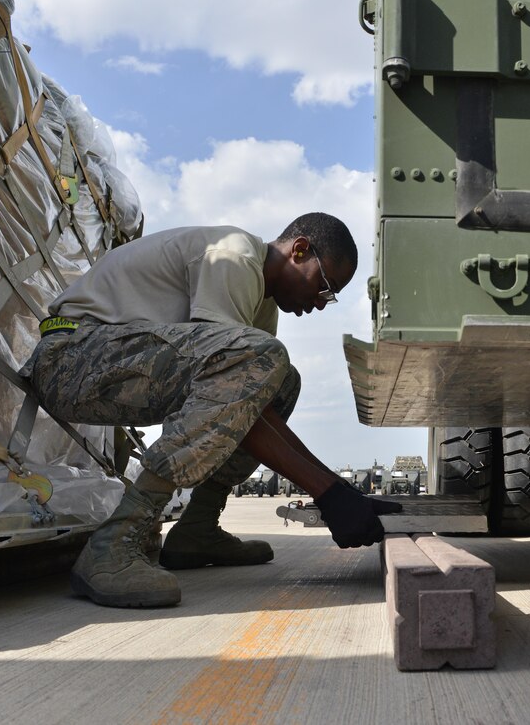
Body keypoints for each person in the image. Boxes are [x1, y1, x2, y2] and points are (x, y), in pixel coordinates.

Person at [20, 212, 402, 608]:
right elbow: (236, 382)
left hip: (110, 366)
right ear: (300, 250)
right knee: (263, 359)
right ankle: (115, 543)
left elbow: (247, 405)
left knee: (281, 381)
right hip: (70, 359)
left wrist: (338, 490)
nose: (322, 304)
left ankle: (197, 529)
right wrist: (326, 492)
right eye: (325, 287)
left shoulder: (261, 305)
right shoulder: (233, 257)